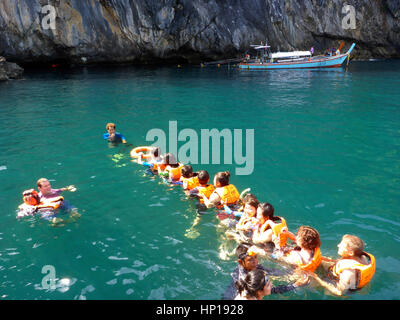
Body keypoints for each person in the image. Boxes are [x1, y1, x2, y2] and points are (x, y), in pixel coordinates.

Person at [223, 243, 305, 300]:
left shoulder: (252, 266)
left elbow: (272, 271)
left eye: (255, 257)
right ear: (241, 262)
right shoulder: (245, 278)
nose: (255, 261)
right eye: (250, 259)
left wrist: (292, 271)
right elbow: (271, 290)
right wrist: (295, 285)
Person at [309, 234, 375, 296]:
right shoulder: (363, 257)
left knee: (309, 279)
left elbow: (339, 292)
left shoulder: (348, 272)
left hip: (341, 287)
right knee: (318, 261)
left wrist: (317, 279)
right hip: (350, 279)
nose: (338, 245)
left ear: (350, 253)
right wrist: (329, 260)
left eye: (342, 245)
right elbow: (348, 263)